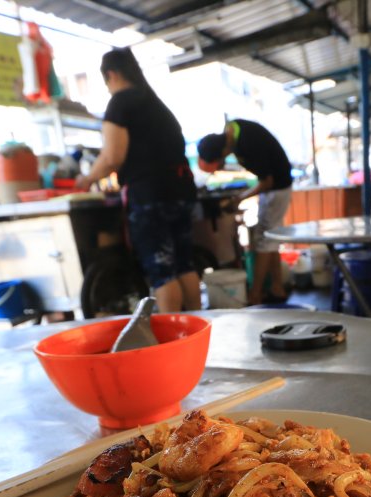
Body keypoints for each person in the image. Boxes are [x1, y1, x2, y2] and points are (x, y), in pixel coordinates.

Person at [76, 48, 200, 313]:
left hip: (150, 197)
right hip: (181, 192)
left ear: (110, 75)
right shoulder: (156, 104)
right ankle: (198, 330)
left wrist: (87, 179)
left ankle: (172, 344)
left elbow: (112, 157)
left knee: (162, 271)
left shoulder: (120, 103)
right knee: (184, 265)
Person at [196, 120, 292, 305]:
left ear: (223, 152)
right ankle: (277, 288)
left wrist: (238, 199)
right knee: (269, 241)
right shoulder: (233, 130)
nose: (221, 165)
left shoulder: (248, 144)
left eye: (219, 162)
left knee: (264, 241)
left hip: (277, 190)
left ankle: (255, 295)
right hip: (273, 189)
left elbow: (268, 182)